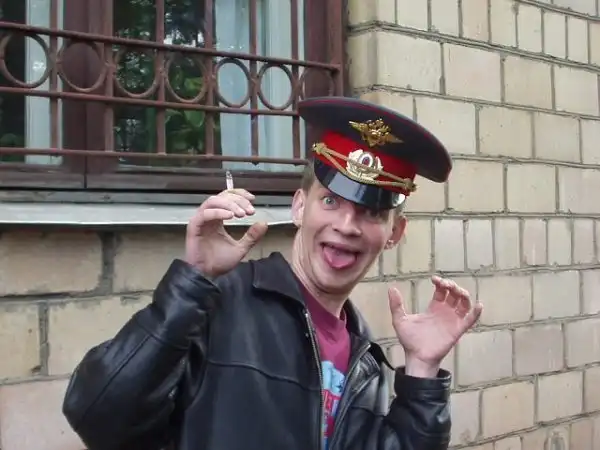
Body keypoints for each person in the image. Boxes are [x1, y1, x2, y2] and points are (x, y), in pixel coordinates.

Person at [62, 96, 482, 450]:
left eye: (371, 212)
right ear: (299, 207)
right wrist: (190, 284)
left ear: (394, 233)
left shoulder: (365, 357)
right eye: (331, 201)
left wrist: (422, 370)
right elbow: (98, 417)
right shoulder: (218, 304)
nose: (347, 226)